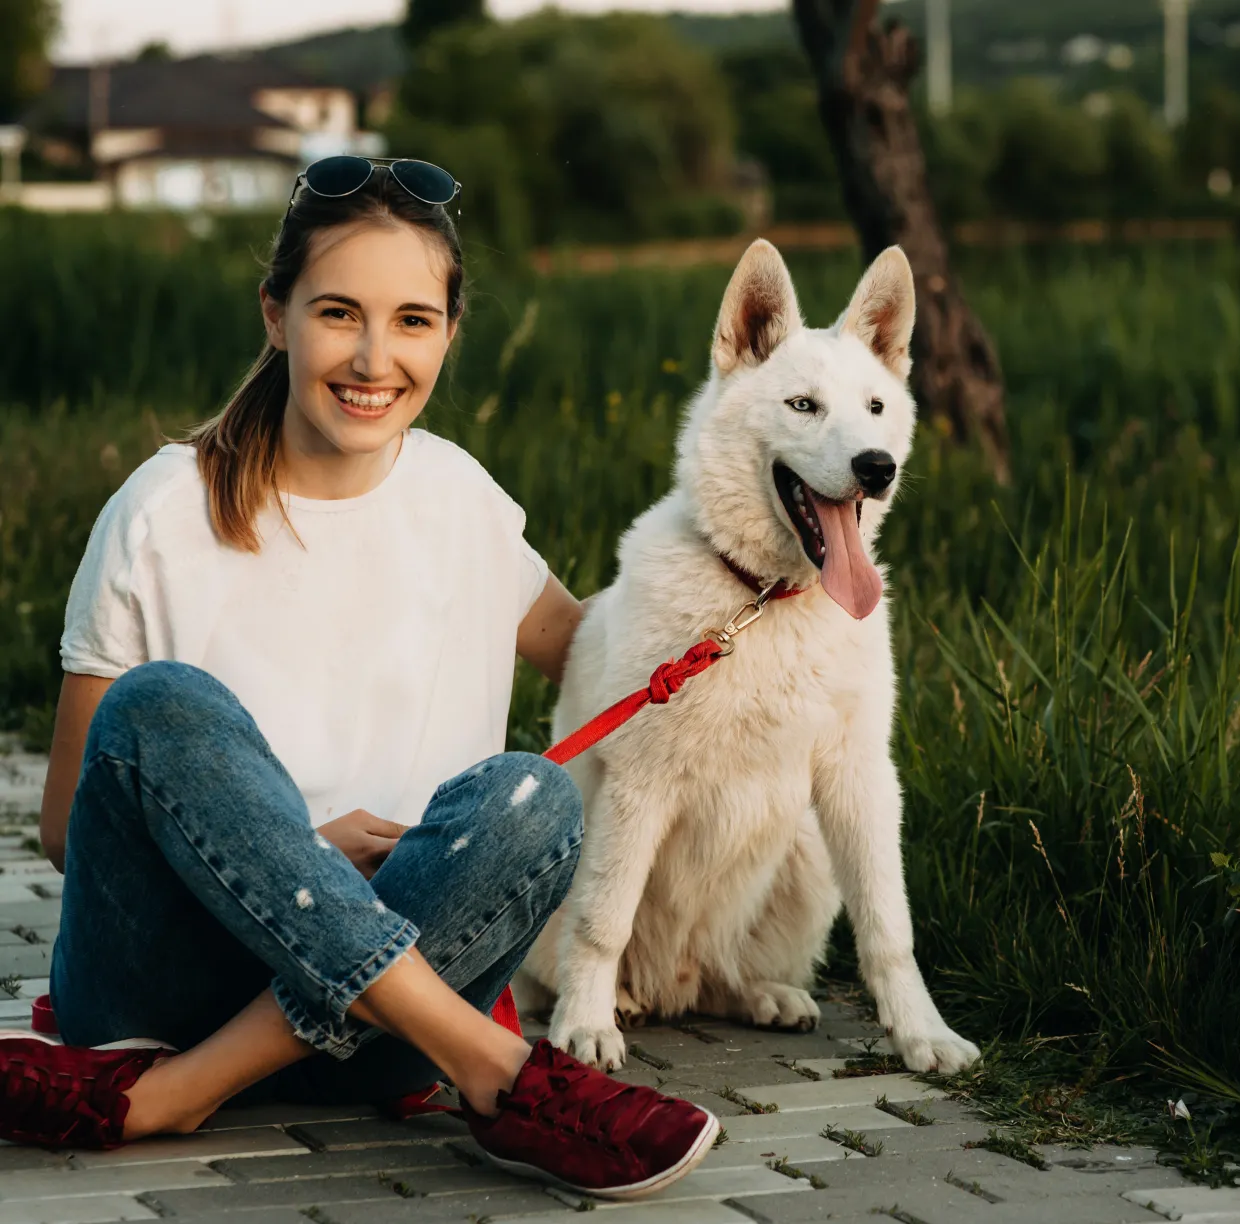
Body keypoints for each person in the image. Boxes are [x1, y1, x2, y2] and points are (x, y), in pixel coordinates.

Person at [0, 157, 719, 1200]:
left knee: (532, 793)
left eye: (413, 320)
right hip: (163, 997)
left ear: (449, 334)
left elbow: (606, 652)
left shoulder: (462, 498)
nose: (375, 356)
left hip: (382, 1029)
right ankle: (500, 1077)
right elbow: (70, 827)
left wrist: (752, 568)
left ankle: (184, 1095)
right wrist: (291, 852)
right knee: (162, 706)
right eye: (339, 312)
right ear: (276, 316)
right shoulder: (161, 512)